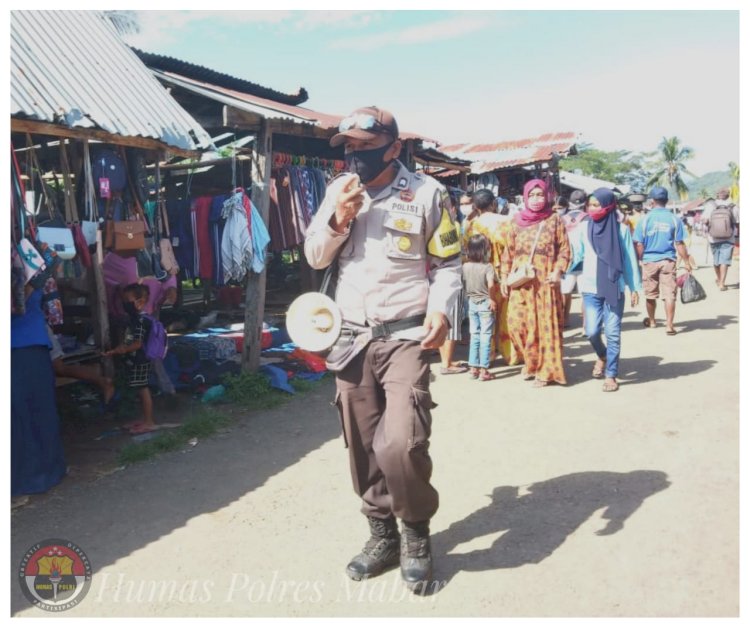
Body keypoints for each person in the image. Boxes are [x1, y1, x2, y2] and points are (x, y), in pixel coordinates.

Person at [304, 106, 461, 591]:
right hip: (350, 335)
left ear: (393, 148)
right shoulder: (338, 191)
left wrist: (442, 309)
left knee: (401, 441)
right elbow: (313, 255)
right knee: (362, 442)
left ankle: (415, 534)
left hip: (407, 334)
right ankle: (382, 536)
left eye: (365, 147)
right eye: (349, 147)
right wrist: (338, 220)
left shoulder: (428, 194)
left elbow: (449, 263)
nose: (355, 156)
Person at [569, 188, 642, 392]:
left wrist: (634, 287)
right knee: (592, 331)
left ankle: (611, 374)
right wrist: (561, 271)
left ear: (609, 206)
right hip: (590, 287)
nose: (592, 209)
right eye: (590, 205)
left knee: (613, 333)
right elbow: (576, 255)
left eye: (596, 205)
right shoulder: (583, 229)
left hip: (614, 287)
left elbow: (629, 260)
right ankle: (602, 354)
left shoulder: (622, 230)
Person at [500, 179, 571, 387]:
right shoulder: (515, 221)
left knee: (544, 328)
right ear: (525, 196)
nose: (536, 199)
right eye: (532, 195)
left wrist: (558, 271)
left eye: (540, 195)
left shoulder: (554, 219)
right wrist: (504, 276)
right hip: (521, 282)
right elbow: (508, 252)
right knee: (516, 325)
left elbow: (565, 249)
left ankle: (546, 371)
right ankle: (531, 362)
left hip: (546, 283)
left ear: (547, 196)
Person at [12, 285, 67, 498]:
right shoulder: (32, 261)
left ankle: (32, 478)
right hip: (31, 344)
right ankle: (47, 472)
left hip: (20, 347)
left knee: (22, 415)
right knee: (37, 412)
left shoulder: (18, 264)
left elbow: (15, 303)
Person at [463, 189, 518, 365]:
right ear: (494, 204)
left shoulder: (471, 226)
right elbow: (514, 249)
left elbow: (467, 252)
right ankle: (511, 355)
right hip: (505, 274)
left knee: (484, 319)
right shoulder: (507, 222)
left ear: (475, 206)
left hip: (481, 278)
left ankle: (488, 356)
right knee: (506, 316)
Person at [633, 186, 693, 335]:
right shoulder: (674, 219)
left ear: (652, 201)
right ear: (666, 201)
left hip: (649, 261)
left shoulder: (644, 219)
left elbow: (639, 244)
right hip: (668, 261)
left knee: (650, 294)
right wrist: (686, 262)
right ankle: (669, 326)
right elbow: (679, 243)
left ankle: (652, 321)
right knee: (669, 294)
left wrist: (640, 259)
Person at [103, 283, 156, 434]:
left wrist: (123, 349)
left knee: (143, 388)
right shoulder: (134, 319)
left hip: (141, 359)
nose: (124, 304)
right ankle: (145, 418)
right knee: (139, 389)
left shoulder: (140, 321)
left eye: (127, 300)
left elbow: (138, 343)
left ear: (140, 302)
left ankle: (149, 421)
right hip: (136, 359)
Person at [438, 193, 468, 375]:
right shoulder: (451, 226)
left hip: (436, 278)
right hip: (450, 277)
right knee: (451, 321)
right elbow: (449, 254)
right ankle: (446, 363)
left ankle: (446, 360)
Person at [463, 234, 497, 381]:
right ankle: (484, 370)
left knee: (474, 335)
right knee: (486, 336)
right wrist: (492, 299)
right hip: (485, 303)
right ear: (484, 250)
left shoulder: (465, 266)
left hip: (471, 303)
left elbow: (463, 284)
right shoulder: (488, 267)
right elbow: (491, 285)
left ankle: (473, 368)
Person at [556, 190, 588, 328]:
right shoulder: (589, 219)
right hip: (585, 262)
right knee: (585, 295)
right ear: (585, 203)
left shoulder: (562, 220)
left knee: (565, 293)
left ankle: (564, 320)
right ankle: (585, 325)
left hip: (567, 261)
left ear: (569, 203)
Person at [701, 188, 739, 291]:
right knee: (724, 261)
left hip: (713, 238)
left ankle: (719, 279)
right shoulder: (733, 206)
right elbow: (737, 223)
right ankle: (722, 283)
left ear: (717, 194)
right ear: (728, 194)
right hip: (728, 237)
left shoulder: (711, 205)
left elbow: (704, 220)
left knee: (716, 260)